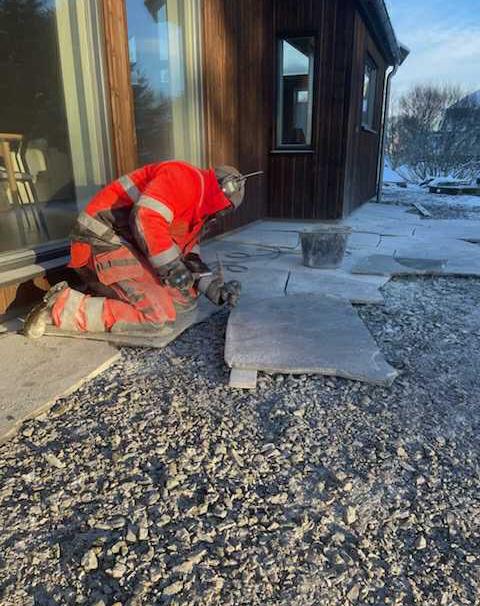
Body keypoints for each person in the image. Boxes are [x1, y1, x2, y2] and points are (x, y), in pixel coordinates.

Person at [24, 161, 255, 339]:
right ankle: (60, 306)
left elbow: (188, 255)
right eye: (225, 209)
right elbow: (145, 218)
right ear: (223, 193)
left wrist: (213, 288)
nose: (221, 215)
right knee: (157, 318)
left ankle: (109, 295)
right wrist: (171, 268)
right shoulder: (183, 177)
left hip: (127, 244)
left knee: (184, 302)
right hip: (99, 240)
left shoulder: (198, 210)